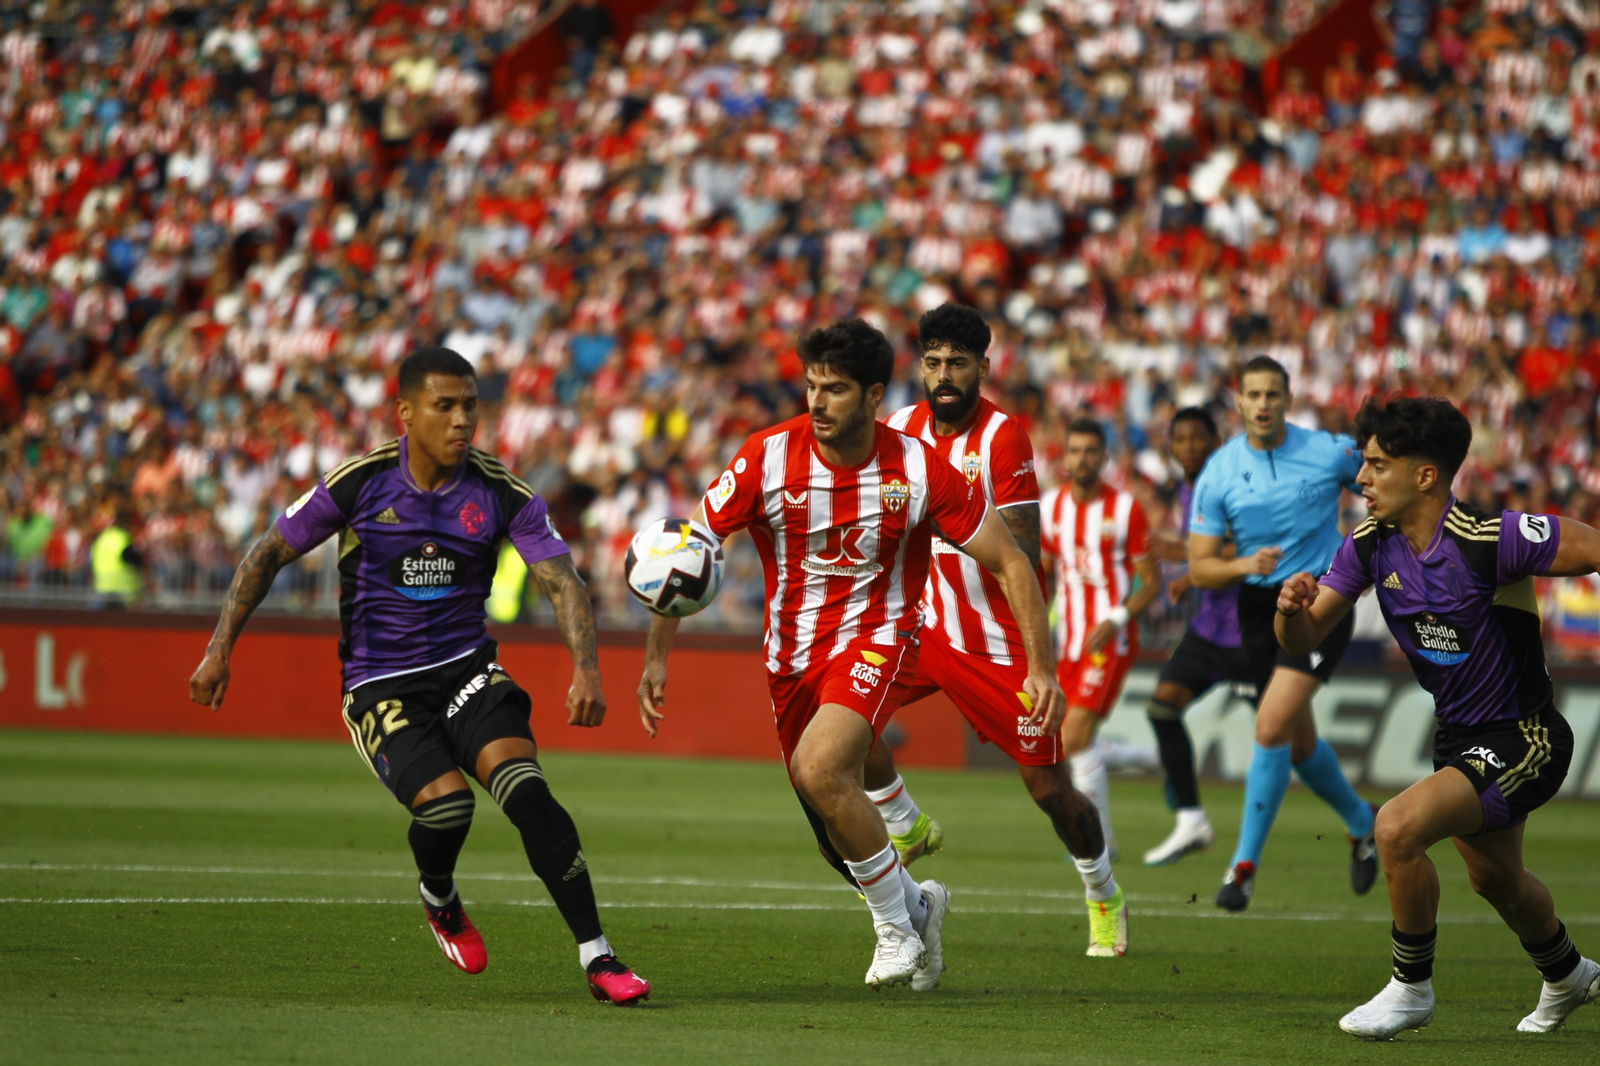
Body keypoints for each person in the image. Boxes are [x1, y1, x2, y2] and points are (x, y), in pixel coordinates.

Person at [187, 347, 649, 1006]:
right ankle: (440, 895)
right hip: (381, 683)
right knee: (449, 809)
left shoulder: (500, 490)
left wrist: (586, 669)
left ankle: (599, 958)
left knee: (527, 792)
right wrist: (218, 649)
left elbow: (561, 580)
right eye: (446, 406)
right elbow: (268, 554)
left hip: (467, 671)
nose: (463, 421)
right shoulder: (359, 482)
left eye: (471, 407)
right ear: (406, 413)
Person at [636, 318, 1074, 989]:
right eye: (812, 386)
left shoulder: (919, 469)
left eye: (835, 390)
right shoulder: (765, 457)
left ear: (874, 395)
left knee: (819, 769)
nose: (817, 402)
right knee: (829, 830)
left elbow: (1013, 562)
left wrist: (1040, 666)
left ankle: (895, 931)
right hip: (791, 658)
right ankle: (920, 906)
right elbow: (687, 556)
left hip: (880, 639)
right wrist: (657, 657)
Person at [1276, 395, 1600, 1039]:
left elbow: (1591, 547)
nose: (1361, 479)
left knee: (1395, 828)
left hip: (1525, 736)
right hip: (1459, 736)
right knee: (1497, 881)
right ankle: (1569, 975)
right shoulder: (1368, 546)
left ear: (1426, 475)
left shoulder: (1490, 540)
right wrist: (1289, 609)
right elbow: (1305, 635)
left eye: (1376, 464)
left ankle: (1411, 988)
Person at [876, 303, 1129, 957]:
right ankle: (907, 824)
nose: (944, 374)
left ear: (983, 367)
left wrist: (1040, 666)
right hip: (922, 629)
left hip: (996, 642)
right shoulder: (898, 429)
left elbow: (1022, 551)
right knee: (837, 713)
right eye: (932, 362)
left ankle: (1102, 891)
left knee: (1048, 789)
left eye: (958, 362)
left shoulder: (1002, 438)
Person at [1189, 355, 1377, 911]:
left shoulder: (1330, 452)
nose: (1264, 403)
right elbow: (1201, 567)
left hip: (1321, 600)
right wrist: (1243, 566)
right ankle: (1363, 823)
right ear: (1239, 402)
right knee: (1297, 743)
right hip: (1256, 606)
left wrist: (1365, 551)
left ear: (1288, 399)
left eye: (1274, 393)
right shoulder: (1219, 472)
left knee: (1271, 728)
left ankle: (1242, 868)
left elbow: (1376, 483)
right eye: (1254, 394)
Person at [1040, 417, 1161, 862]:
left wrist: (1117, 616)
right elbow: (1046, 575)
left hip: (1109, 643)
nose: (1083, 459)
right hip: (1067, 643)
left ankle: (1101, 843)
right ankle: (1129, 755)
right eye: (1075, 451)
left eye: (1092, 451)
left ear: (1104, 457)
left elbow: (1150, 583)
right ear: (1065, 456)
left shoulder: (1125, 508)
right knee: (1067, 743)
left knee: (1072, 740)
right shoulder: (1051, 507)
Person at [1143, 407, 1252, 866]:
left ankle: (1358, 821)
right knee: (1162, 707)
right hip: (1209, 626)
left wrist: (1182, 555)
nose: (1187, 447)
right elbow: (1207, 556)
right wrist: (1190, 575)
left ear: (1216, 440)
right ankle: (1191, 820)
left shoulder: (1233, 481)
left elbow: (1248, 548)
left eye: (1196, 438)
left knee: (1294, 743)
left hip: (1249, 629)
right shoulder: (1190, 488)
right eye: (1179, 439)